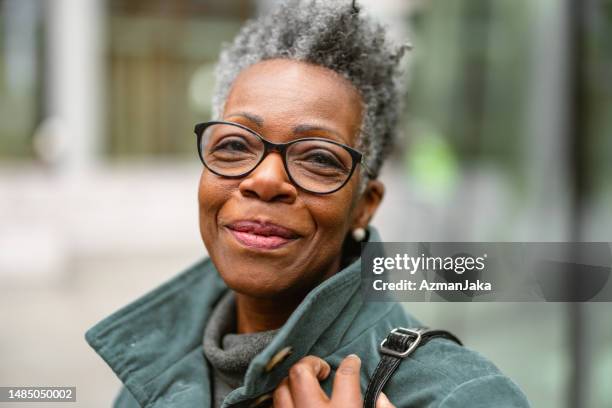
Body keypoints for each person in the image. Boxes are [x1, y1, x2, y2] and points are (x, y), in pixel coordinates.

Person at [85, 1, 530, 407]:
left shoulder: (463, 395)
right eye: (235, 145)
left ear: (365, 204)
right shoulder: (152, 375)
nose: (264, 180)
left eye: (318, 158)